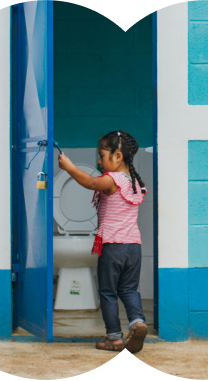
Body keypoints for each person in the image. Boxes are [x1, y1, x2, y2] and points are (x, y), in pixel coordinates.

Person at [58, 130, 148, 353]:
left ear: (117, 157)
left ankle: (115, 338)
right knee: (129, 290)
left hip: (113, 246)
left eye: (102, 155)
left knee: (107, 292)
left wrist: (69, 167)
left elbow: (90, 183)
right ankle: (138, 322)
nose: (99, 161)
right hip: (134, 247)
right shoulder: (134, 181)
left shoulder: (113, 179)